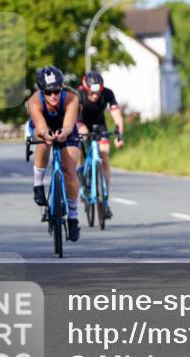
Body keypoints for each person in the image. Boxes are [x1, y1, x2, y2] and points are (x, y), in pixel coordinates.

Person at [26, 66, 83, 242]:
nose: (53, 95)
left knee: (69, 170)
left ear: (62, 87)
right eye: (49, 92)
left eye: (57, 90)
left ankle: (73, 218)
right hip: (43, 127)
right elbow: (41, 127)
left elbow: (68, 125)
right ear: (42, 91)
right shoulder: (34, 101)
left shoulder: (72, 98)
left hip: (66, 128)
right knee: (43, 140)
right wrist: (46, 134)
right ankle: (37, 184)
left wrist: (64, 133)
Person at [72, 71, 125, 219]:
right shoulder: (79, 94)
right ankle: (81, 171)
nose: (95, 96)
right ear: (86, 88)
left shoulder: (107, 94)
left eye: (98, 93)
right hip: (81, 122)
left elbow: (117, 116)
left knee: (104, 156)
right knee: (81, 143)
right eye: (92, 93)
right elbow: (72, 115)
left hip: (99, 125)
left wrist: (119, 135)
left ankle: (105, 202)